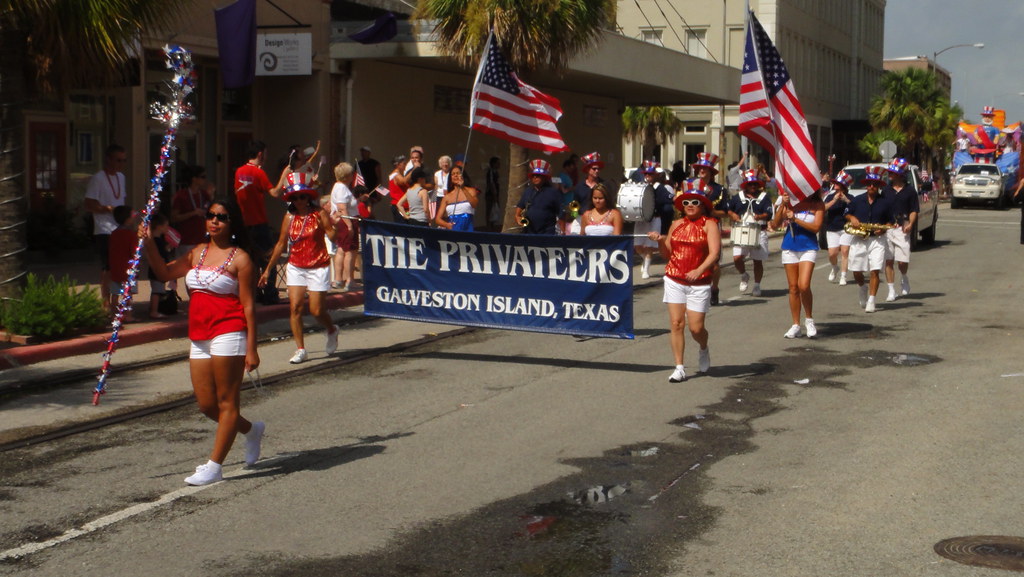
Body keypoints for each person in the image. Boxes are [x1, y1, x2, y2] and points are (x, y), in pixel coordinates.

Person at [142, 198, 264, 486]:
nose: (214, 221)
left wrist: (252, 347)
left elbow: (248, 306)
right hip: (199, 335)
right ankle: (252, 431)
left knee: (227, 402)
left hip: (229, 330)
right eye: (210, 216)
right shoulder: (196, 253)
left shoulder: (241, 259)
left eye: (221, 217)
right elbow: (163, 273)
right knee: (207, 405)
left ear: (231, 223)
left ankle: (214, 466)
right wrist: (148, 243)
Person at [259, 171, 338, 364]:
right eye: (295, 197)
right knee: (295, 307)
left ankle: (332, 329)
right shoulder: (289, 217)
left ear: (309, 196)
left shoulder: (319, 213)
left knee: (317, 310)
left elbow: (332, 235)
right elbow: (280, 244)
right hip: (296, 265)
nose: (299, 201)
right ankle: (301, 349)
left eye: (303, 196)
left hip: (318, 265)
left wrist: (328, 227)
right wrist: (268, 269)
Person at [646, 182, 719, 383]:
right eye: (686, 202)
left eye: (695, 202)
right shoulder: (676, 225)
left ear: (703, 205)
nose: (690, 205)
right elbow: (667, 254)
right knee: (676, 323)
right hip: (674, 278)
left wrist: (699, 269)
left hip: (699, 282)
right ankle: (679, 367)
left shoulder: (709, 224)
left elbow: (715, 253)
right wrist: (660, 240)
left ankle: (703, 348)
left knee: (696, 328)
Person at [234, 140, 284, 305]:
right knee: (269, 260)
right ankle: (269, 293)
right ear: (261, 154)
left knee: (250, 261)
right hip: (259, 222)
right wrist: (285, 174)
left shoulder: (239, 171)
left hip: (244, 223)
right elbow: (275, 193)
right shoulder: (258, 173)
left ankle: (253, 292)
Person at [771, 189, 825, 338]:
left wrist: (795, 219)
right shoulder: (791, 203)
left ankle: (809, 320)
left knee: (804, 285)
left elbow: (816, 228)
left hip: (808, 247)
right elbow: (775, 224)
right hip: (790, 246)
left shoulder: (818, 204)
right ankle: (796, 325)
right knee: (793, 288)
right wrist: (783, 203)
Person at [845, 166, 896, 313]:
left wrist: (884, 228)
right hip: (859, 238)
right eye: (869, 184)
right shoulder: (857, 200)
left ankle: (872, 300)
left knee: (875, 270)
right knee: (856, 270)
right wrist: (852, 217)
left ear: (879, 186)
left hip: (877, 240)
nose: (871, 186)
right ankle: (862, 287)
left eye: (874, 184)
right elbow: (847, 213)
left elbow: (891, 221)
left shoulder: (885, 202)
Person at [84, 144, 128, 311]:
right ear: (108, 159)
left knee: (120, 266)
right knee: (108, 266)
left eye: (124, 160)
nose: (121, 164)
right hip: (104, 229)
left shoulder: (121, 177)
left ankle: (116, 300)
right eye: (118, 160)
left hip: (120, 228)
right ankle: (105, 301)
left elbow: (121, 201)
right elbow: (88, 204)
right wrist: (107, 209)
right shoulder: (98, 178)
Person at [688, 152, 729, 305]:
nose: (702, 171)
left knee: (714, 260)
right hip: (693, 225)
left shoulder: (719, 190)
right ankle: (696, 288)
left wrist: (711, 212)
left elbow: (725, 212)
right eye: (700, 168)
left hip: (711, 225)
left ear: (711, 171)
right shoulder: (690, 185)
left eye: (705, 168)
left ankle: (714, 288)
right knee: (693, 257)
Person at [727, 170, 773, 296]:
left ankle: (757, 285)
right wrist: (733, 215)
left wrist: (760, 216)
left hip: (759, 231)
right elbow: (729, 210)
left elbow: (769, 213)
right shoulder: (738, 197)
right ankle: (744, 275)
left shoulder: (764, 198)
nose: (753, 187)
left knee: (757, 261)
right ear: (745, 185)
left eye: (755, 184)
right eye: (750, 184)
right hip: (740, 231)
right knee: (737, 258)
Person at [882, 158, 919, 301]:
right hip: (888, 229)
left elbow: (914, 210)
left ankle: (904, 278)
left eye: (893, 172)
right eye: (889, 172)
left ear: (900, 174)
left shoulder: (910, 191)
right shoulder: (885, 190)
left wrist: (910, 223)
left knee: (902, 262)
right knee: (889, 261)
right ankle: (891, 290)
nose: (890, 174)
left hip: (902, 230)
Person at [634, 160, 670, 278]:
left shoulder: (659, 188)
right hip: (641, 219)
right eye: (646, 174)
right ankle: (644, 259)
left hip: (655, 218)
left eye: (650, 174)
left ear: (655, 175)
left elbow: (669, 199)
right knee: (638, 246)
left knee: (649, 246)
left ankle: (646, 269)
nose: (648, 177)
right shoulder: (641, 186)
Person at [329, 162, 362, 292]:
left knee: (342, 249)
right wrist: (350, 226)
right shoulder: (342, 188)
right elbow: (342, 208)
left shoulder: (339, 187)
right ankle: (349, 280)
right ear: (347, 175)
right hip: (347, 221)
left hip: (344, 220)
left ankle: (338, 280)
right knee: (350, 250)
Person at [170, 164, 214, 257]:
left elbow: (211, 209)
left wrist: (211, 195)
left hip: (202, 238)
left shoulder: (203, 194)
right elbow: (174, 218)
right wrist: (193, 213)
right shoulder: (181, 195)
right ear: (194, 179)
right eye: (202, 177)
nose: (205, 180)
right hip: (186, 239)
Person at [514, 159, 562, 235]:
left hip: (547, 233)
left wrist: (562, 230)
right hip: (529, 232)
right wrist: (517, 217)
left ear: (545, 177)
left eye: (538, 175)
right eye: (533, 175)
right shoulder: (528, 191)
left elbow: (560, 212)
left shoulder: (553, 193)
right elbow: (520, 207)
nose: (535, 177)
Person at [823, 170, 854, 284]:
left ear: (843, 186)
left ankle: (843, 276)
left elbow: (855, 209)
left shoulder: (850, 197)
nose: (834, 185)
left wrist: (846, 200)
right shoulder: (829, 196)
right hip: (832, 228)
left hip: (846, 229)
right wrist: (834, 200)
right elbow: (823, 208)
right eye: (834, 183)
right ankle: (835, 267)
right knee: (832, 253)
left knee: (845, 251)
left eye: (837, 183)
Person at [108, 205, 138, 318]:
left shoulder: (113, 234)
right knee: (128, 293)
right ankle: (128, 315)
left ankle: (113, 314)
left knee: (115, 293)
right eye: (132, 215)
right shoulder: (131, 235)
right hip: (128, 268)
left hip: (115, 266)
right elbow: (134, 252)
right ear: (127, 218)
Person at [147, 212, 175, 319]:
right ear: (159, 227)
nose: (167, 228)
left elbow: (162, 252)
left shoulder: (158, 240)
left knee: (156, 290)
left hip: (155, 268)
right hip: (157, 269)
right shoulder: (157, 241)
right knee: (157, 291)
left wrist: (168, 248)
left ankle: (152, 308)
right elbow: (160, 255)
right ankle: (154, 311)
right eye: (166, 226)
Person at [436, 164, 478, 231]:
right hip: (453, 230)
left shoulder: (471, 191)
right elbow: (438, 219)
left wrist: (463, 188)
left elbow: (474, 204)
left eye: (458, 173)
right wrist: (447, 225)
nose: (455, 175)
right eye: (453, 174)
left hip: (467, 228)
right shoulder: (447, 197)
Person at [387, 154, 411, 224]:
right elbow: (403, 182)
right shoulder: (395, 175)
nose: (405, 165)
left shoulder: (400, 175)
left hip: (405, 206)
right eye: (404, 163)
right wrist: (413, 171)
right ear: (398, 164)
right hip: (399, 205)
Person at [433, 155, 452, 223]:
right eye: (443, 162)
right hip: (439, 197)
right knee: (440, 214)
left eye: (447, 162)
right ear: (440, 164)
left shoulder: (451, 173)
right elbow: (436, 186)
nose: (445, 164)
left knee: (448, 214)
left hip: (449, 196)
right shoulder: (437, 174)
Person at [485, 156, 501, 230]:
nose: (499, 165)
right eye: (497, 163)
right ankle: (489, 227)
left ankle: (493, 226)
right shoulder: (491, 172)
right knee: (490, 210)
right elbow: (491, 183)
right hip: (490, 194)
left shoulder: (496, 172)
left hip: (495, 194)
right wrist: (494, 194)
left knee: (494, 211)